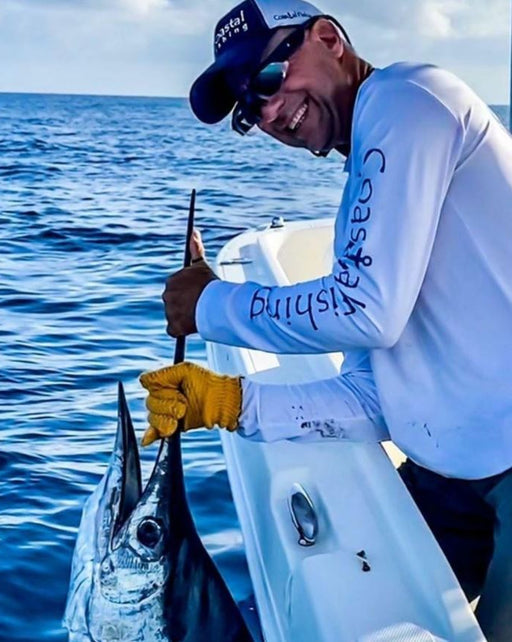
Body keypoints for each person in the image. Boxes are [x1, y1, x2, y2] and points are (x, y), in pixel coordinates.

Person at [139, 0, 512, 638]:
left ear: (329, 38)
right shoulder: (360, 218)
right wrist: (229, 402)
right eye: (246, 110)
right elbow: (373, 397)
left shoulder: (409, 97)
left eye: (265, 80)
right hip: (455, 478)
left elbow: (363, 309)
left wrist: (210, 305)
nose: (268, 112)